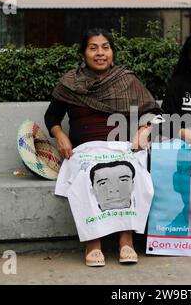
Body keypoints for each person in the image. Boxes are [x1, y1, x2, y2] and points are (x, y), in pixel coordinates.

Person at [44, 28, 161, 267]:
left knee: (130, 172)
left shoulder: (127, 81)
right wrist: (59, 135)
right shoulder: (70, 83)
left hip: (121, 147)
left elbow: (155, 113)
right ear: (83, 53)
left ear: (112, 53)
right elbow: (52, 116)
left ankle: (126, 240)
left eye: (105, 47)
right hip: (85, 150)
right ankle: (93, 241)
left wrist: (143, 129)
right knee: (92, 172)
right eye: (93, 48)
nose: (100, 53)